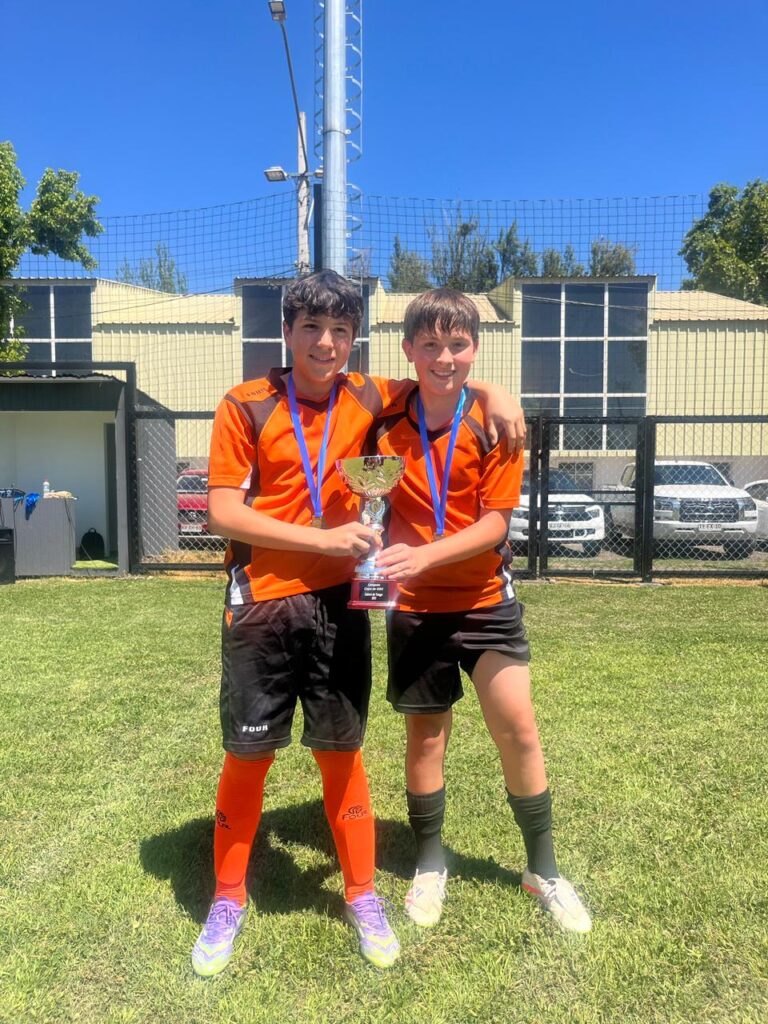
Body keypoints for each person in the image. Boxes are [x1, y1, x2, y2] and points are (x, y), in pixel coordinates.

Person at [192, 270, 526, 977]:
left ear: (355, 339)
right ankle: (227, 898)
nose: (326, 343)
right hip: (260, 601)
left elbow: (445, 378)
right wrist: (321, 541)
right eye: (312, 328)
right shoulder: (244, 404)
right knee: (249, 754)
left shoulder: (371, 395)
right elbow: (221, 512)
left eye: (341, 330)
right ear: (287, 333)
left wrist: (498, 391)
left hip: (340, 602)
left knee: (341, 750)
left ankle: (363, 894)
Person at [373, 288, 592, 934]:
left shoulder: (498, 425)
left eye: (458, 344)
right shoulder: (383, 413)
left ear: (475, 349)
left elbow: (496, 525)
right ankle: (430, 861)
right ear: (408, 350)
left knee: (518, 728)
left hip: (484, 602)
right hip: (415, 607)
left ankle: (543, 869)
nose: (444, 357)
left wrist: (497, 393)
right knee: (426, 737)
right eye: (430, 344)